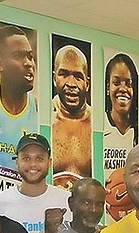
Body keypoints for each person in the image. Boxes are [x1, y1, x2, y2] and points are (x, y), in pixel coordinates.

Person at [0, 133, 71, 233]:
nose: (33, 164)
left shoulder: (68, 201)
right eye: (26, 158)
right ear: (17, 161)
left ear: (49, 162)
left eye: (39, 158)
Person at [0, 24, 38, 189]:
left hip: (21, 205)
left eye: (30, 57)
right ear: (0, 64)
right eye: (18, 56)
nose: (28, 64)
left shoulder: (38, 109)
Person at [51, 44, 92, 186]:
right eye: (64, 74)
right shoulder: (42, 119)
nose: (71, 83)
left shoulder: (98, 124)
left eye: (77, 76)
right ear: (54, 78)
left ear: (87, 84)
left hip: (88, 206)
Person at [103, 53, 138, 174]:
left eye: (128, 84)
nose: (123, 89)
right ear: (108, 88)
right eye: (117, 83)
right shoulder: (99, 125)